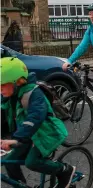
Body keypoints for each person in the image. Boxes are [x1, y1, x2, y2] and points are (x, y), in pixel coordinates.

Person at [1, 57, 75, 188]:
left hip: (46, 133)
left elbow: (35, 117)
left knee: (32, 162)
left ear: (16, 82)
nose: (0, 89)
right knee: (9, 162)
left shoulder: (34, 94)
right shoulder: (9, 96)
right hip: (28, 135)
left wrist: (15, 139)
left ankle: (65, 171)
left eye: (2, 84)